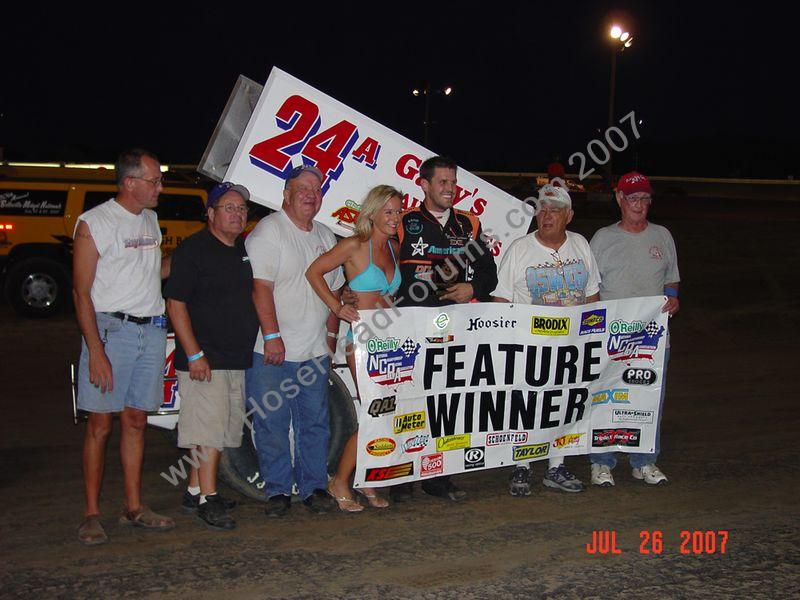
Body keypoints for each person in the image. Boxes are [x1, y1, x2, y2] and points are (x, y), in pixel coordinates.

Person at [73, 148, 173, 545]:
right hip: (111, 333)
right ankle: (91, 514)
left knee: (136, 421)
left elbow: (153, 272)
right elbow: (81, 294)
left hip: (150, 330)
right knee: (100, 424)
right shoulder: (94, 223)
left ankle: (134, 507)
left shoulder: (150, 219)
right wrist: (95, 350)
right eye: (155, 181)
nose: (160, 188)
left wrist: (197, 256)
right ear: (130, 182)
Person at [395, 155, 498, 501]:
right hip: (409, 324)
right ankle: (401, 474)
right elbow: (377, 260)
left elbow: (489, 273)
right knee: (408, 400)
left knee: (447, 401)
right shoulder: (403, 221)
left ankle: (439, 475)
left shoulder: (469, 224)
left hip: (454, 327)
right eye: (442, 182)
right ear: (423, 185)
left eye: (453, 182)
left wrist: (473, 288)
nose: (449, 189)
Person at [244, 165, 342, 518]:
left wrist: (330, 338)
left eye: (316, 189)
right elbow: (260, 288)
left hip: (313, 350)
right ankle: (277, 491)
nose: (310, 194)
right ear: (286, 193)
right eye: (302, 187)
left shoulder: (326, 236)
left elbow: (333, 292)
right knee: (272, 422)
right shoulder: (269, 232)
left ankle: (314, 487)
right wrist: (272, 336)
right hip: (271, 351)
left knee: (314, 422)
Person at [493, 183, 600, 495]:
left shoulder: (581, 244)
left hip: (571, 346)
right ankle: (522, 467)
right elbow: (501, 301)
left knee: (564, 405)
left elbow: (593, 295)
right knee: (527, 405)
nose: (547, 215)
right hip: (531, 346)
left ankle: (556, 466)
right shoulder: (520, 249)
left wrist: (590, 337)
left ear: (569, 216)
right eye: (542, 208)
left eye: (555, 210)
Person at [164, 182, 259, 530]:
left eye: (242, 209)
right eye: (229, 207)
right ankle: (209, 498)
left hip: (234, 357)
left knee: (217, 428)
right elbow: (175, 303)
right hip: (206, 359)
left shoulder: (241, 249)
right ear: (211, 214)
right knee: (210, 433)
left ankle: (193, 489)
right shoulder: (194, 250)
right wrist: (195, 354)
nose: (238, 214)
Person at [306, 185, 403, 511]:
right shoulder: (353, 245)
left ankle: (368, 480)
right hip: (362, 343)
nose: (395, 217)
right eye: (388, 211)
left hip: (392, 343)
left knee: (386, 416)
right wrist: (337, 306)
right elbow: (314, 272)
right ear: (372, 213)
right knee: (374, 414)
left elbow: (387, 297)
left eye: (398, 211)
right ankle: (340, 481)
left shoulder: (392, 247)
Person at [588, 171, 679, 487]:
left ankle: (645, 461)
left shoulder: (662, 236)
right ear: (619, 199)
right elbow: (591, 288)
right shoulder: (602, 238)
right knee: (607, 397)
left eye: (644, 198)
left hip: (652, 340)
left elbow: (671, 280)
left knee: (649, 397)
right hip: (612, 337)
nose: (639, 204)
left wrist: (673, 299)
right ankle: (601, 462)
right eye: (632, 198)